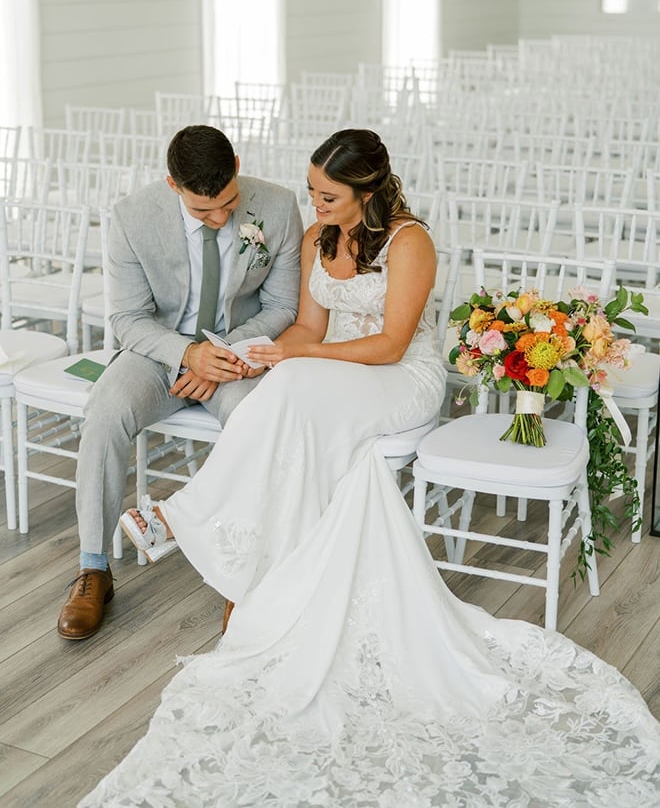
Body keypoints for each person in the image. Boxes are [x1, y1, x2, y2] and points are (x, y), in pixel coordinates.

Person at [80, 130, 659, 807]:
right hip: (336, 370)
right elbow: (306, 332)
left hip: (400, 376)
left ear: (367, 191)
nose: (313, 204)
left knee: (294, 387)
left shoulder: (411, 241)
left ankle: (182, 515)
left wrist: (297, 362)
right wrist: (270, 352)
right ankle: (226, 541)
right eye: (311, 192)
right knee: (284, 385)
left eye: (327, 195)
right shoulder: (320, 236)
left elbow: (387, 344)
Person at [57, 124, 304, 641]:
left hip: (238, 352)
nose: (221, 218)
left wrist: (224, 354)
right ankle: (94, 567)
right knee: (103, 412)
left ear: (237, 163)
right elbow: (127, 319)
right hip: (160, 349)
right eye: (203, 211)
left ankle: (247, 573)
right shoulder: (130, 217)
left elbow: (282, 306)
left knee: (256, 419)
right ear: (174, 186)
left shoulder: (278, 207)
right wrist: (189, 353)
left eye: (229, 205)